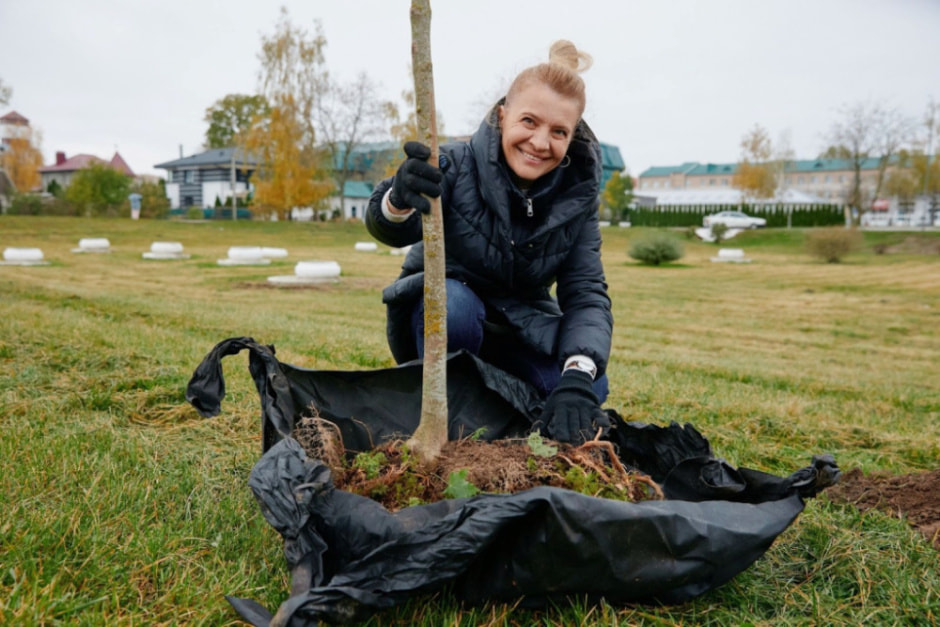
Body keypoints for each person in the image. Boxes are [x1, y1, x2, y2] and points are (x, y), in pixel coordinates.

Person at [365, 40, 612, 445]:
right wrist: (397, 199)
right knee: (456, 309)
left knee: (590, 387)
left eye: (558, 132)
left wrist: (578, 374)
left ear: (572, 138)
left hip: (517, 322)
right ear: (503, 114)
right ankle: (451, 420)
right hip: (442, 313)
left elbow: (585, 293)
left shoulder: (577, 198)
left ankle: (498, 408)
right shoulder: (453, 165)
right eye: (529, 121)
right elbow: (389, 228)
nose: (539, 142)